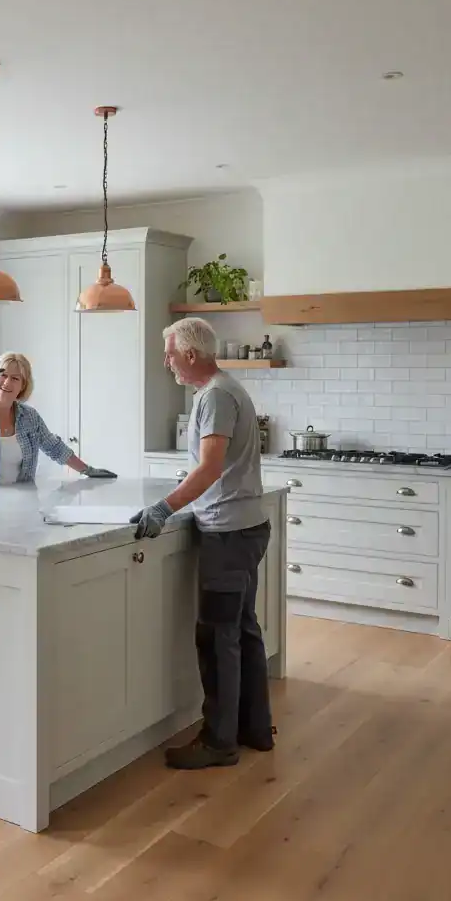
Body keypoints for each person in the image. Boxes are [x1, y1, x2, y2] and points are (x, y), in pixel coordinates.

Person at [129, 316, 274, 770]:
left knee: (217, 637)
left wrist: (164, 507)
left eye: (170, 354)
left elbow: (210, 467)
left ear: (190, 354)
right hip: (244, 527)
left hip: (228, 533)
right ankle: (254, 728)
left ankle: (218, 742)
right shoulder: (225, 389)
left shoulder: (214, 396)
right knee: (242, 631)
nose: (167, 362)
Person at [0, 351, 116, 493]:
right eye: (3, 375)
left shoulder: (30, 417)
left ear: (22, 386)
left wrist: (88, 470)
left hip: (21, 508)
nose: (7, 383)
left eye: (15, 378)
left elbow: (55, 448)